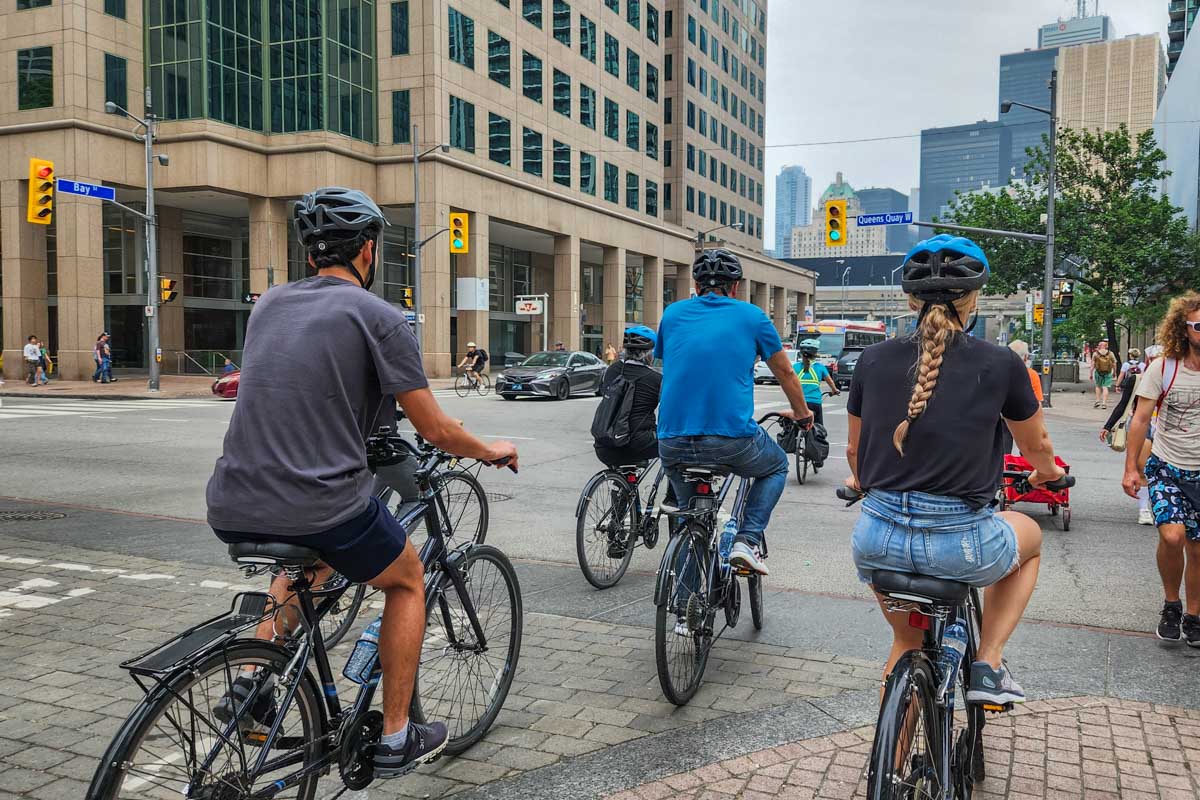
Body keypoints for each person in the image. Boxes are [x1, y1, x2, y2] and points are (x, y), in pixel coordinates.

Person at [206, 187, 519, 778]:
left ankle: (251, 683)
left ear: (309, 257)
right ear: (368, 250)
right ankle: (398, 736)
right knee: (406, 579)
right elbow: (435, 427)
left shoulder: (269, 304)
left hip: (233, 499)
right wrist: (491, 449)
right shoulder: (380, 317)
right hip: (320, 502)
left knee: (306, 568)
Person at [846, 234, 1065, 706]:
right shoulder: (1002, 363)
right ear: (974, 299)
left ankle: (888, 770)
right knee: (1030, 540)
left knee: (905, 643)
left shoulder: (871, 358)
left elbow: (854, 454)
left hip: (876, 542)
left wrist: (860, 481)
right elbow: (1037, 446)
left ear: (909, 298)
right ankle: (988, 662)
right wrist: (1046, 475)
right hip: (960, 546)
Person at [655, 248, 813, 577]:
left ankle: (685, 617)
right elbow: (785, 373)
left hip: (671, 440)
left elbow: (670, 362)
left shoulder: (672, 314)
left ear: (696, 286)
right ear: (736, 287)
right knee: (776, 466)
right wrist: (803, 414)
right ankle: (747, 539)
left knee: (689, 519)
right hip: (730, 439)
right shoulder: (752, 317)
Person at [1122, 293, 1200, 645]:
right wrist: (1130, 469)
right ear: (1184, 329)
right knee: (1172, 536)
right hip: (1167, 465)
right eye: (1199, 326)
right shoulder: (1164, 367)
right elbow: (1139, 420)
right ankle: (1172, 603)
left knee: (1198, 548)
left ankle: (1194, 615)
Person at [1102, 344, 1161, 526]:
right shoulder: (1137, 380)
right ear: (1149, 361)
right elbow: (1123, 404)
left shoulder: (1177, 380)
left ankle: (1163, 504)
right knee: (1142, 466)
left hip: (1167, 428)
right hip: (1143, 425)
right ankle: (1144, 510)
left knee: (1163, 471)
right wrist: (1108, 426)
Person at [594, 326, 662, 467]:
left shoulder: (612, 370)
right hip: (638, 444)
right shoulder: (656, 379)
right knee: (675, 447)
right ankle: (673, 488)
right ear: (650, 353)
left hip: (604, 445)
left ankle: (623, 485)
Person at [1001, 340, 1044, 455]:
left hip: (1003, 417)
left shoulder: (999, 372)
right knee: (1029, 452)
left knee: (1004, 450)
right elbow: (1038, 403)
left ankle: (1004, 468)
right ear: (1025, 357)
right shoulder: (1032, 374)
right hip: (1026, 417)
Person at [793, 338, 839, 424]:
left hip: (798, 403)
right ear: (815, 354)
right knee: (818, 428)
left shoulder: (795, 367)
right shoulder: (820, 367)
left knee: (795, 425)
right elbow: (830, 382)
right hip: (815, 402)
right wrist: (834, 390)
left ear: (801, 353)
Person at [1092, 339, 1117, 409]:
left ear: (1099, 346)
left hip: (1098, 372)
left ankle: (1097, 401)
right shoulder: (1110, 353)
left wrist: (1091, 373)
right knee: (1105, 387)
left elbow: (1092, 364)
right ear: (1106, 346)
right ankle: (1104, 403)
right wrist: (1114, 372)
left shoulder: (1095, 353)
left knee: (1098, 386)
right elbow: (1114, 364)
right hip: (1108, 372)